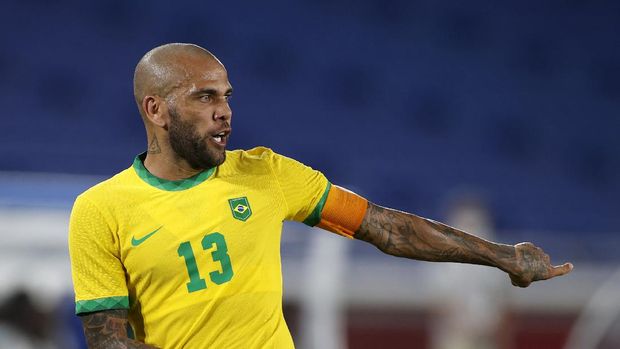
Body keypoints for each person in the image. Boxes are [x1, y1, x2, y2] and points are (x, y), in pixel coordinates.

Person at [68, 43, 573, 349]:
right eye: (204, 97)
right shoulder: (100, 211)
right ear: (156, 109)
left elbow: (387, 227)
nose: (224, 110)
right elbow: (109, 341)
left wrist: (502, 256)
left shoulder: (267, 174)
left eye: (226, 96)